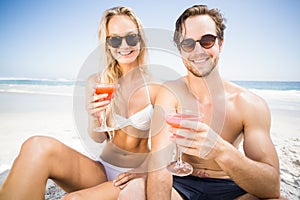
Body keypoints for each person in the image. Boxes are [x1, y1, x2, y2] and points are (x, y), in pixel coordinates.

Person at [0, 6, 158, 200]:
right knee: (36, 146)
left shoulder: (157, 86)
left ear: (141, 39)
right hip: (102, 170)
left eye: (131, 37)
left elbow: (167, 145)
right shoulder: (97, 81)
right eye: (115, 39)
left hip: (135, 177)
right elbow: (99, 138)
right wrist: (93, 116)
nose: (124, 45)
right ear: (107, 44)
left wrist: (146, 171)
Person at [147, 5, 281, 200]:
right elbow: (159, 168)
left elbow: (271, 186)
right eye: (188, 44)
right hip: (181, 187)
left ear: (221, 43)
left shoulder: (249, 105)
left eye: (207, 41)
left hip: (232, 186)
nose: (198, 50)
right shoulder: (170, 93)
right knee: (134, 190)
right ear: (180, 50)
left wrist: (220, 149)